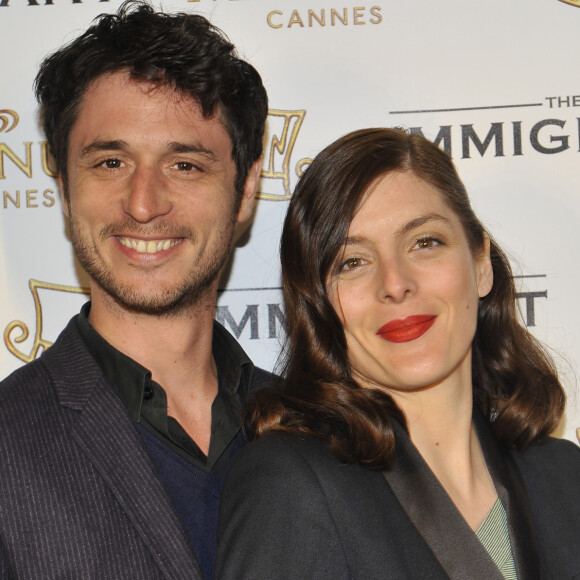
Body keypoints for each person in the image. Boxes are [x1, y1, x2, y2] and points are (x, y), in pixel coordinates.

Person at [215, 128, 580, 580]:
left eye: (424, 242)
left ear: (481, 263)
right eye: (353, 262)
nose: (395, 283)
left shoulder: (565, 478)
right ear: (320, 306)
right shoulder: (290, 485)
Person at [0, 2, 270, 579]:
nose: (144, 203)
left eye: (186, 166)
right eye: (112, 161)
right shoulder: (8, 444)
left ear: (245, 192)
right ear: (66, 191)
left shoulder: (322, 428)